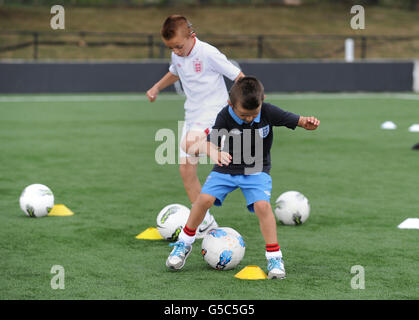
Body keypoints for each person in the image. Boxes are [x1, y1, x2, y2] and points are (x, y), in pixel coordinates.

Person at [165, 76, 320, 279]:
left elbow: (296, 119)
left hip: (257, 170)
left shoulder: (268, 111)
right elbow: (210, 142)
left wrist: (307, 123)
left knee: (263, 207)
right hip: (226, 168)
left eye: (253, 114)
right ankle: (183, 244)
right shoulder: (225, 115)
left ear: (262, 101)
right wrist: (214, 153)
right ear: (231, 104)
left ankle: (274, 257)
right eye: (244, 115)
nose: (249, 118)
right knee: (203, 200)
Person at [146, 15, 245, 238]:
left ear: (192, 36)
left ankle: (212, 149)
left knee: (190, 143)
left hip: (214, 114)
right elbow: (175, 71)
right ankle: (206, 221)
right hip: (192, 116)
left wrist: (251, 103)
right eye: (171, 48)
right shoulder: (177, 54)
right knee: (186, 169)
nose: (177, 51)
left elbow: (238, 77)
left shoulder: (208, 53)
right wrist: (157, 87)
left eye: (179, 46)